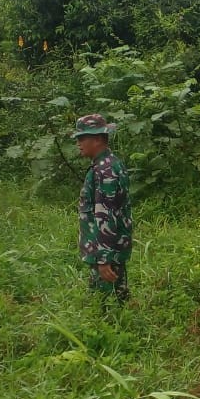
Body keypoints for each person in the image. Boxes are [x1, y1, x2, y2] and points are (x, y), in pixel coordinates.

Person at [73, 113, 133, 305]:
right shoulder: (107, 164)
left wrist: (104, 259)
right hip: (106, 250)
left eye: (82, 138)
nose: (78, 143)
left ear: (98, 139)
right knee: (114, 301)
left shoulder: (105, 170)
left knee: (107, 306)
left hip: (106, 252)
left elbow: (106, 214)